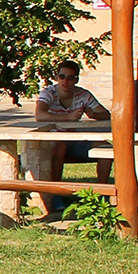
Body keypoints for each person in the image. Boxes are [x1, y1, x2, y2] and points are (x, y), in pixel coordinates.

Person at [31, 61, 110, 219]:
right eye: (62, 76)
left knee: (107, 149)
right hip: (54, 140)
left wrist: (94, 114)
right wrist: (67, 117)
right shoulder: (49, 93)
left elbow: (106, 114)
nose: (65, 81)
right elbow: (40, 115)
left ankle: (101, 193)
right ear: (56, 77)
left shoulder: (83, 94)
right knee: (59, 147)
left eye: (70, 78)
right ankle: (56, 194)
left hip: (76, 139)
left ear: (76, 80)